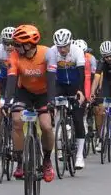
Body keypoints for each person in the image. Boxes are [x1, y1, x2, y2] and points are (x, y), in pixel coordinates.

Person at [5, 24, 56, 183]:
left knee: (46, 126)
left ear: (29, 44)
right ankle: (20, 162)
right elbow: (12, 78)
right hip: (24, 92)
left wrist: (51, 101)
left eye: (18, 44)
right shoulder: (14, 55)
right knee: (17, 121)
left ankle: (47, 161)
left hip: (44, 93)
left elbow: (52, 79)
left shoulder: (47, 53)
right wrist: (8, 101)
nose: (15, 47)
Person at [45, 28, 91, 167]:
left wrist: (80, 91)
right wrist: (50, 96)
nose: (62, 49)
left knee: (77, 119)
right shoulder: (52, 51)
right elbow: (51, 75)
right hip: (60, 85)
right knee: (56, 113)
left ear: (70, 43)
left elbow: (82, 74)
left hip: (75, 85)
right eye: (59, 47)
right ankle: (59, 142)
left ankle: (79, 156)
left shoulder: (77, 51)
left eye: (64, 46)